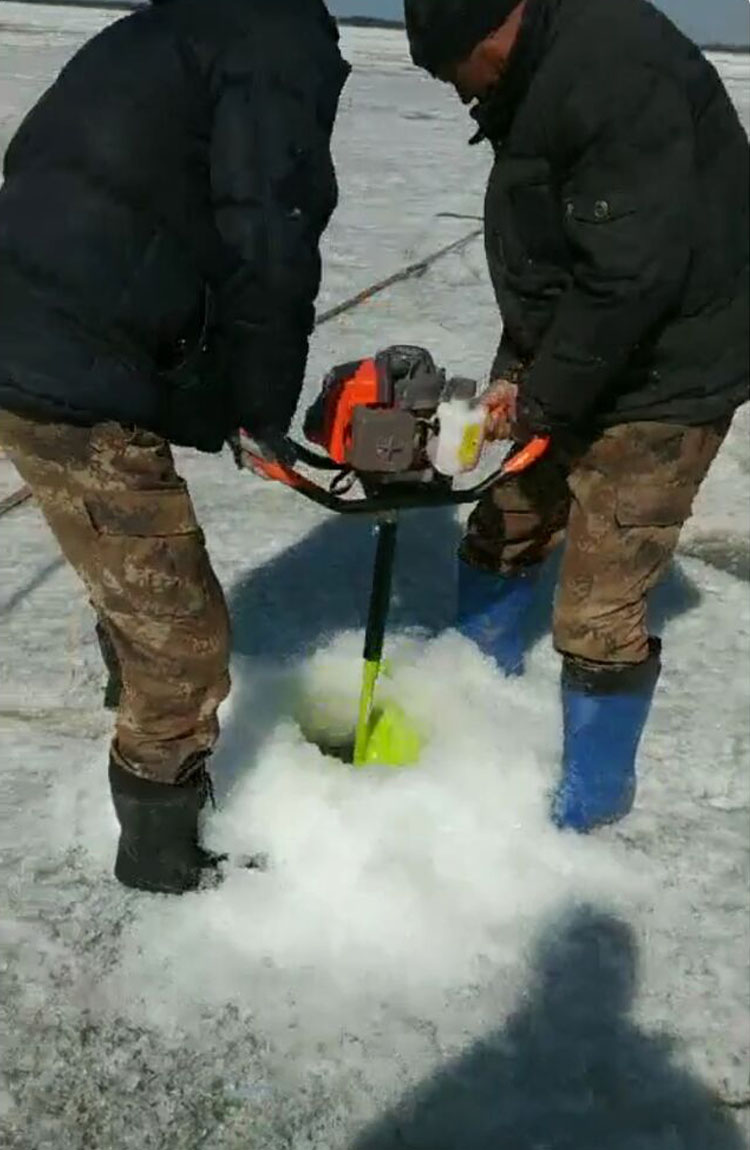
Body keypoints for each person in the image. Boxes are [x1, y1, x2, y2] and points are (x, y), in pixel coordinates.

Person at [0, 0, 350, 893]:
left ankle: (134, 705)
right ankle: (161, 861)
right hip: (60, 371)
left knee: (139, 590)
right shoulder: (270, 34)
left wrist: (208, 401)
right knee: (184, 643)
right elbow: (270, 231)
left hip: (54, 340)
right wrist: (261, 408)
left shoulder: (180, 27)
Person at [405, 0, 749, 831]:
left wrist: (540, 397)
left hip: (670, 373)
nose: (456, 92)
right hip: (589, 348)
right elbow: (564, 252)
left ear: (489, 34)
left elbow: (629, 275)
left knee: (597, 610)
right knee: (505, 525)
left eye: (452, 70)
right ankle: (471, 707)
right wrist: (513, 374)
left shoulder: (614, 75)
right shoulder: (538, 70)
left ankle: (587, 808)